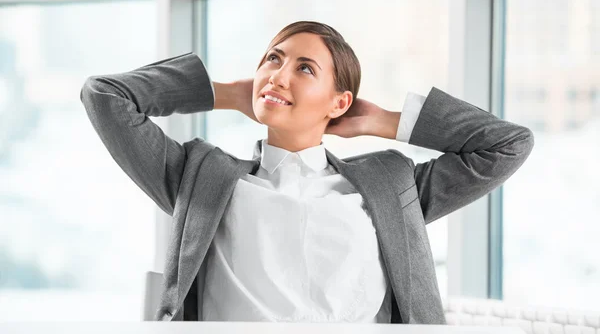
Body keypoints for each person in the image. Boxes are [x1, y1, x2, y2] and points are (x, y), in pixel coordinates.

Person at [79, 20, 534, 324]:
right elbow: (104, 96)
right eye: (273, 59)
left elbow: (508, 145)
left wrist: (385, 122)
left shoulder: (391, 185)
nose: (278, 75)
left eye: (304, 68)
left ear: (340, 102)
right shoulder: (201, 178)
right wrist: (222, 93)